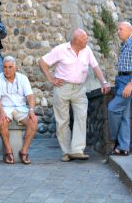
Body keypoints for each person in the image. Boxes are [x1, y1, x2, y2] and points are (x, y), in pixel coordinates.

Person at [39, 29, 111, 161]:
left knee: (81, 117)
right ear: (76, 40)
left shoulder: (87, 50)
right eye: (84, 38)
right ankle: (66, 152)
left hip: (79, 89)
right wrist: (51, 78)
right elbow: (42, 62)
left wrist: (104, 82)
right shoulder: (61, 50)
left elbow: (95, 67)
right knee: (62, 121)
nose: (87, 40)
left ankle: (77, 150)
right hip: (62, 88)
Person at [0, 56, 38, 164]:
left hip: (20, 108)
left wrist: (31, 110)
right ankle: (8, 151)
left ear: (15, 68)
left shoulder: (22, 78)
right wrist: (1, 113)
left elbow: (30, 96)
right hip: (4, 108)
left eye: (10, 67)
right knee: (2, 122)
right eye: (5, 67)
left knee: (33, 123)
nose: (7, 70)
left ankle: (24, 151)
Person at [108, 20, 132, 156]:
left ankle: (114, 139)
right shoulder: (125, 44)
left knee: (112, 108)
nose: (118, 32)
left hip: (127, 81)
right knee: (124, 116)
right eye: (117, 29)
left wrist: (130, 84)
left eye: (120, 29)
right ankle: (123, 147)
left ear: (129, 30)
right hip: (120, 80)